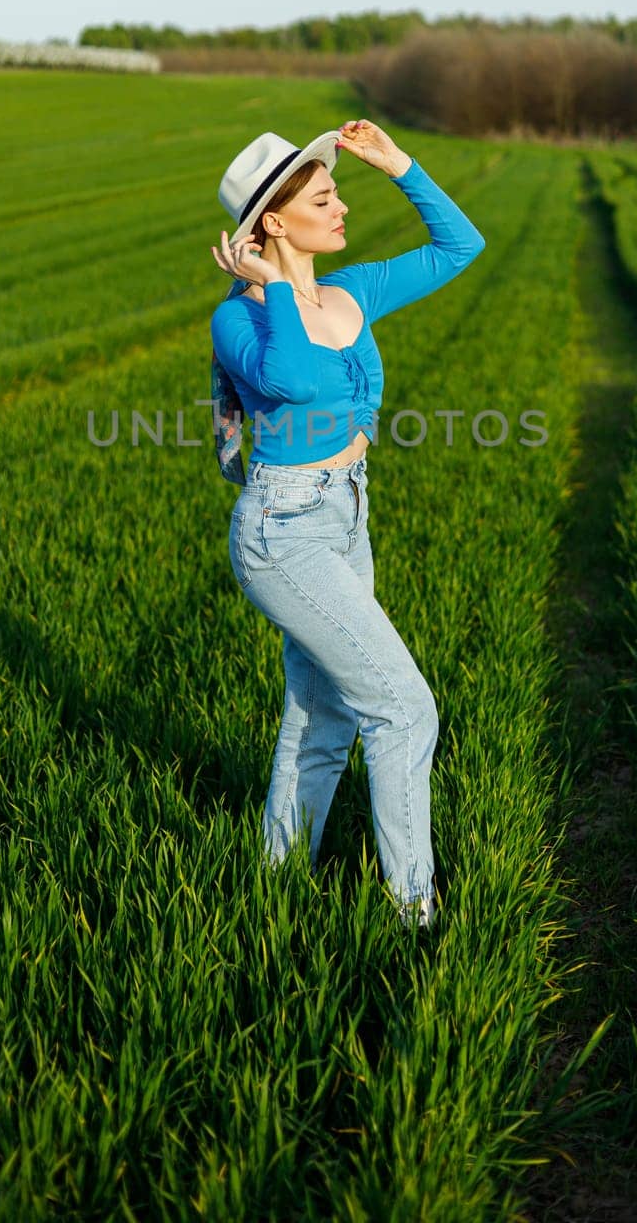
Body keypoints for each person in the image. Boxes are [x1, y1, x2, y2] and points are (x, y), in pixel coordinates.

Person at [209, 118, 485, 929]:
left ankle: (278, 878)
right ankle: (414, 915)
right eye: (325, 196)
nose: (342, 208)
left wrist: (399, 164)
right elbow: (291, 380)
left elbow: (459, 247)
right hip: (282, 530)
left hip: (344, 513)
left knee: (325, 709)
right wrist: (271, 289)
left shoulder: (353, 290)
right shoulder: (243, 320)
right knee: (404, 707)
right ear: (273, 221)